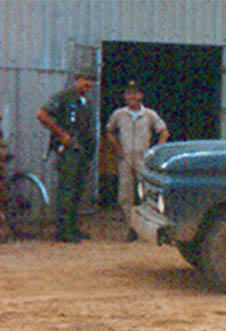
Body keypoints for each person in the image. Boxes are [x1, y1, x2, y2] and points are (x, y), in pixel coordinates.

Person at [37, 68, 96, 242]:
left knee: (78, 189)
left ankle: (72, 227)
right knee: (67, 189)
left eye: (91, 81)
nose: (88, 84)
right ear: (76, 79)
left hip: (82, 150)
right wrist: (61, 135)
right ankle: (63, 231)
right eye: (85, 79)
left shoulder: (85, 101)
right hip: (69, 150)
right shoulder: (64, 96)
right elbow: (42, 114)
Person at [106, 81, 169, 241]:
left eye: (135, 93)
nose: (132, 96)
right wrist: (117, 147)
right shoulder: (119, 114)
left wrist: (155, 151)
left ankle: (149, 227)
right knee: (125, 195)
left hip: (143, 159)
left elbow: (163, 132)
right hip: (126, 158)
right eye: (129, 93)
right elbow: (109, 131)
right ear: (125, 96)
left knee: (147, 194)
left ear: (141, 95)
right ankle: (131, 226)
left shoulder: (149, 114)